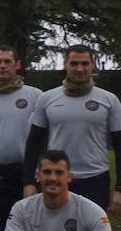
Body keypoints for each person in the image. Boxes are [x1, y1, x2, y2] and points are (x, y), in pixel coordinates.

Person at [23, 44, 121, 216]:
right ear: (65, 65)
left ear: (93, 65)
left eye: (85, 64)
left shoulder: (109, 100)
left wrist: (119, 189)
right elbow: (33, 142)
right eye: (74, 64)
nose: (80, 69)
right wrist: (29, 182)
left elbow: (120, 146)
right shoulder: (47, 98)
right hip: (56, 178)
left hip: (96, 179)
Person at [0, 44, 42, 228]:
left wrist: (30, 169)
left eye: (7, 61)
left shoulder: (35, 95)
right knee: (4, 227)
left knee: (34, 227)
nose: (3, 66)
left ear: (17, 64)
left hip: (28, 175)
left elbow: (43, 137)